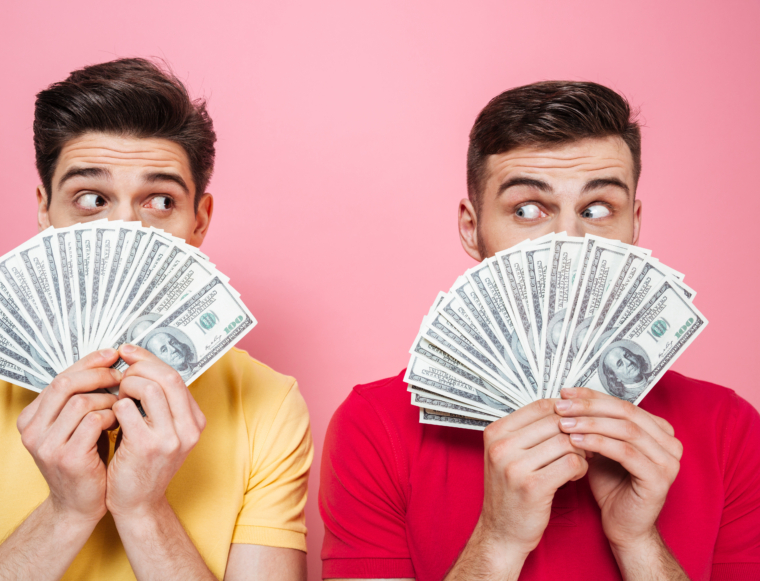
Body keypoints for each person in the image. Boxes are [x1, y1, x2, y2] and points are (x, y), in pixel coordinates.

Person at [0, 58, 312, 581]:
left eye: (160, 201)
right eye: (91, 199)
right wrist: (66, 512)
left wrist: (144, 511)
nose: (125, 232)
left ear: (199, 220)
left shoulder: (267, 403)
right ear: (45, 209)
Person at [319, 81, 760, 580]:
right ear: (472, 227)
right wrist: (498, 540)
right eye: (527, 209)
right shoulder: (376, 427)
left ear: (633, 225)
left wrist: (638, 542)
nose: (567, 241)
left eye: (597, 210)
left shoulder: (731, 430)